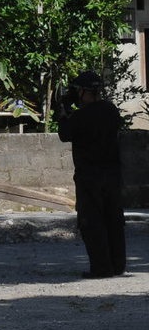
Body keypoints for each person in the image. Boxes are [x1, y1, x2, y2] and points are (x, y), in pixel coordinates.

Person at [57, 70, 126, 279]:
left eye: (78, 91)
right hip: (113, 174)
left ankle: (101, 268)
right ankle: (118, 265)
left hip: (90, 176)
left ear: (85, 92)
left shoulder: (80, 116)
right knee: (113, 220)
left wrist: (62, 113)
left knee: (92, 221)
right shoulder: (111, 110)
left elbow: (64, 135)